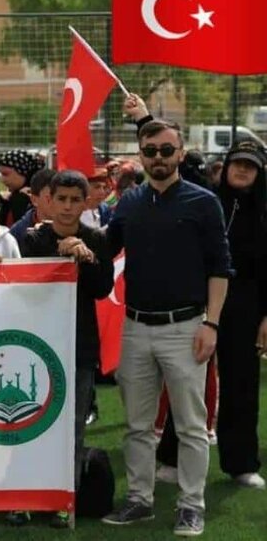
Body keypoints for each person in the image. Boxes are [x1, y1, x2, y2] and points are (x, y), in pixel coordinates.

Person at [101, 119, 231, 537]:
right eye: (150, 150)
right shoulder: (129, 202)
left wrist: (211, 323)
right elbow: (104, 249)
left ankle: (192, 505)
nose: (158, 157)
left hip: (187, 326)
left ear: (181, 152)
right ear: (140, 153)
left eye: (166, 150)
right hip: (135, 325)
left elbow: (220, 267)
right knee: (137, 425)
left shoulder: (204, 202)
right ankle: (139, 499)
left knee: (191, 426)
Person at [153, 142, 266, 491]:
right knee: (187, 381)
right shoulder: (205, 202)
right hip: (199, 301)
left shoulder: (264, 212)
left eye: (251, 166)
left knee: (242, 385)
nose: (243, 170)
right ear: (226, 165)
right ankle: (172, 458)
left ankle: (241, 464)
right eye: (238, 163)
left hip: (247, 306)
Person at [19, 171, 114, 528]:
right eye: (62, 199)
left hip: (79, 345)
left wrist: (84, 259)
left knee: (71, 428)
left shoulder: (96, 239)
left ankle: (64, 498)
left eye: (76, 200)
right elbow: (25, 286)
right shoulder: (33, 239)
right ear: (49, 200)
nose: (68, 207)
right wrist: (58, 254)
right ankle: (23, 497)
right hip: (36, 345)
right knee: (27, 422)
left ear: (86, 202)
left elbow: (102, 289)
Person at [0, 149, 42, 226]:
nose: (2, 179)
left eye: (6, 174)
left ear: (23, 172)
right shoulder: (9, 199)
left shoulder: (30, 200)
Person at [9, 168, 56, 243]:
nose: (56, 202)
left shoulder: (72, 227)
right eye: (50, 198)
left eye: (60, 198)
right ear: (34, 200)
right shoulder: (17, 233)